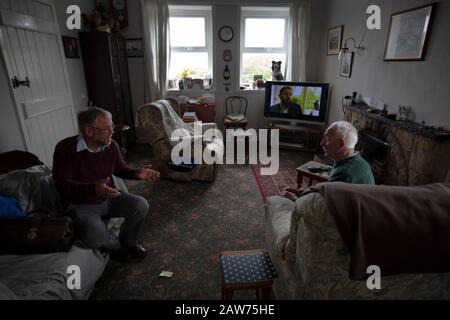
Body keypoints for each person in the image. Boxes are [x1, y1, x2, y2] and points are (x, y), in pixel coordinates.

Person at [53, 107, 160, 261]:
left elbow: (120, 169)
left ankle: (129, 241)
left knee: (140, 205)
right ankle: (115, 246)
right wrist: (94, 189)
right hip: (81, 204)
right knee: (94, 236)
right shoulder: (65, 149)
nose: (112, 132)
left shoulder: (111, 145)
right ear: (89, 131)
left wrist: (135, 173)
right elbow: (62, 185)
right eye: (107, 129)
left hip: (110, 197)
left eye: (112, 127)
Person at [283, 121, 375, 201]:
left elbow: (324, 210)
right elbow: (328, 193)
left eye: (326, 139)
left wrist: (294, 199)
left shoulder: (344, 174)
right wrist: (305, 193)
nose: (321, 143)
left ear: (340, 144)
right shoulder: (360, 161)